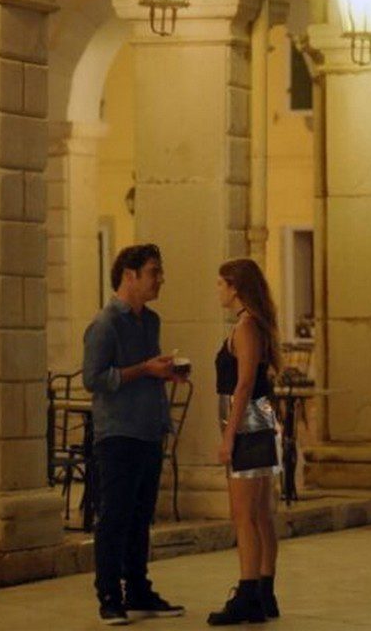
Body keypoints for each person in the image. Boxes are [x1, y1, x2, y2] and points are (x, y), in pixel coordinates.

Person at [83, 243, 186, 625]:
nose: (161, 279)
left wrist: (165, 373)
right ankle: (109, 595)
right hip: (118, 433)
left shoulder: (151, 321)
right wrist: (144, 370)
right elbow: (93, 378)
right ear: (130, 275)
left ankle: (138, 589)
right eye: (154, 271)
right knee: (115, 517)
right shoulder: (106, 323)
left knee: (141, 517)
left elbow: (145, 370)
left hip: (148, 429)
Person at [208, 258, 283, 625]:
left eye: (221, 284)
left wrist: (229, 434)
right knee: (261, 513)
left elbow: (244, 384)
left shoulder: (247, 326)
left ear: (235, 287)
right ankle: (264, 591)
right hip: (258, 421)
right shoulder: (252, 323)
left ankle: (248, 592)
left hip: (248, 424)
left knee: (245, 515)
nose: (218, 291)